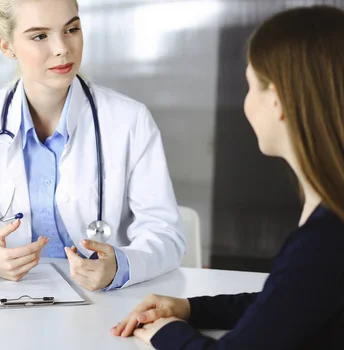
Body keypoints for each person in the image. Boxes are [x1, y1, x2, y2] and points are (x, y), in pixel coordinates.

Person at [0, 0, 184, 291]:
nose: (61, 48)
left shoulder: (128, 120)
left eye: (71, 29)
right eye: (39, 36)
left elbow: (165, 235)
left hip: (102, 306)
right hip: (2, 305)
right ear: (7, 47)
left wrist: (119, 266)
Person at [112, 5, 344, 348]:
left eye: (250, 86)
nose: (246, 102)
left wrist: (168, 335)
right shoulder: (329, 223)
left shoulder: (324, 239)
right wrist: (190, 308)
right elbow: (286, 304)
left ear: (277, 100)